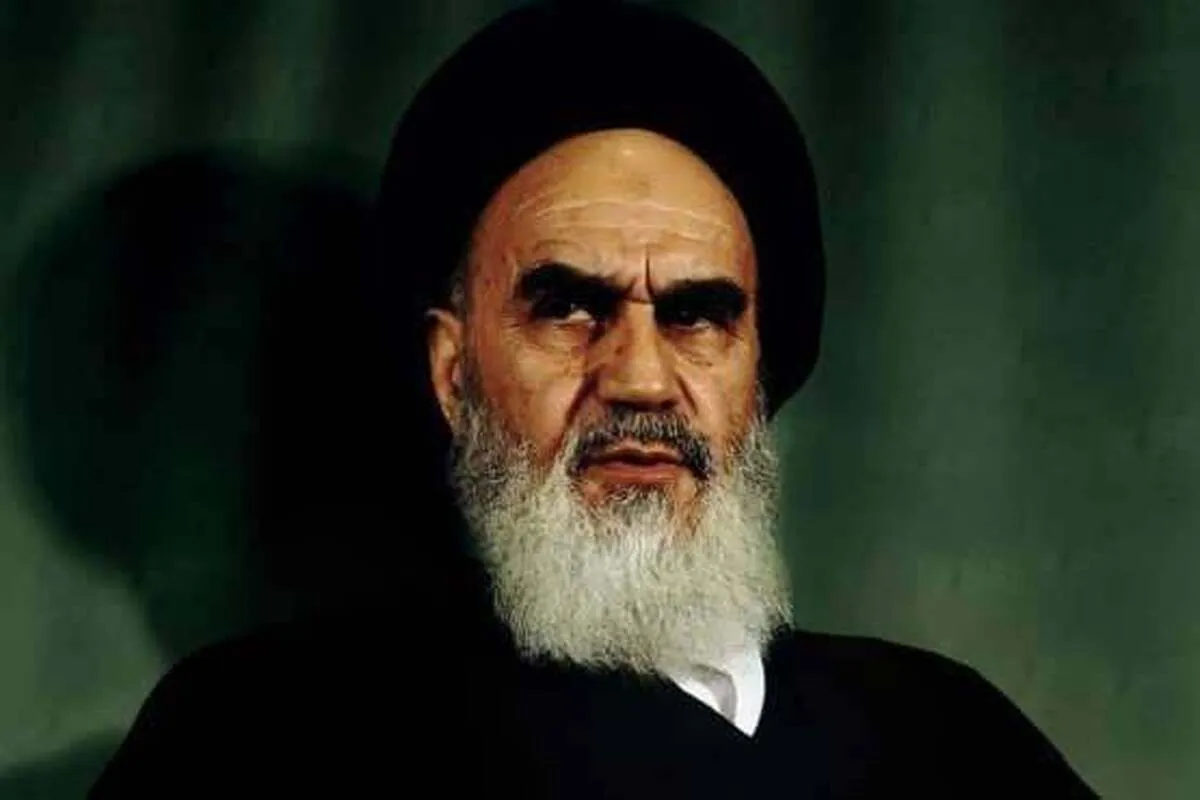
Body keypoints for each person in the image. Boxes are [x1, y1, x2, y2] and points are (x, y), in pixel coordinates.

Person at [91, 2, 1096, 796]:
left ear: (756, 373)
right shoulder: (259, 735)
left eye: (698, 315)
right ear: (454, 370)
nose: (641, 378)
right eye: (570, 308)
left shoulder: (947, 736)